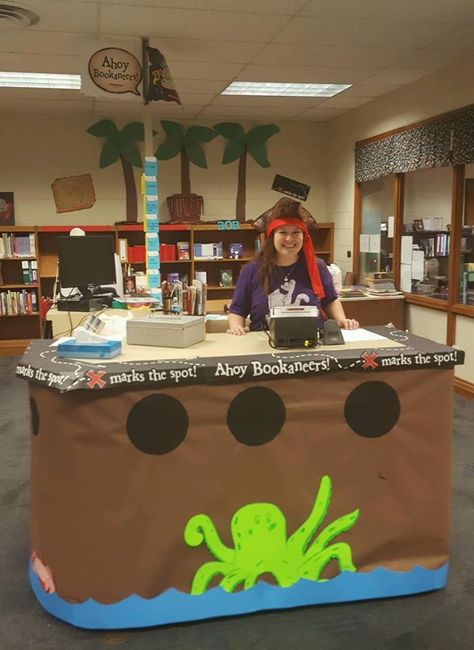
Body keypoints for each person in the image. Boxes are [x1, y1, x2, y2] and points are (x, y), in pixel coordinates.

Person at [227, 198, 359, 336]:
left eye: (296, 232)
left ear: (304, 236)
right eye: (282, 232)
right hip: (264, 343)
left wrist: (342, 320)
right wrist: (237, 328)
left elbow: (330, 300)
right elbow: (238, 309)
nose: (289, 239)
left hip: (311, 341)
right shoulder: (252, 270)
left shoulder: (317, 267)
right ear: (272, 237)